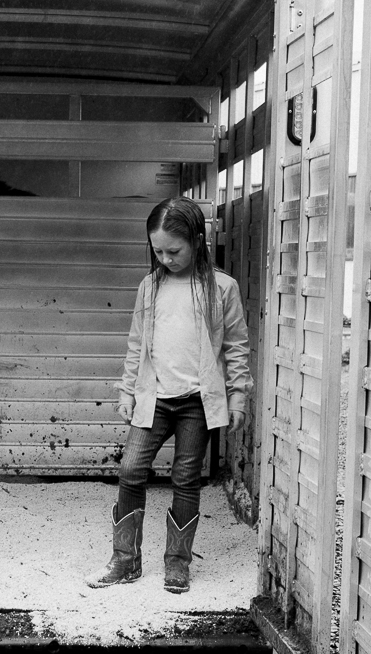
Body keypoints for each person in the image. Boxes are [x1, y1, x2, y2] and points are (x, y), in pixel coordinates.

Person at [89, 196, 252, 593]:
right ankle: (125, 560)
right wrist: (127, 391)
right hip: (154, 398)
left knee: (185, 478)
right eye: (157, 250)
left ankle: (177, 564)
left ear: (198, 239)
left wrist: (238, 397)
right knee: (130, 470)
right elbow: (136, 344)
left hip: (197, 401)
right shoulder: (150, 286)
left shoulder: (222, 288)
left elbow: (236, 347)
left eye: (173, 250)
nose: (165, 258)